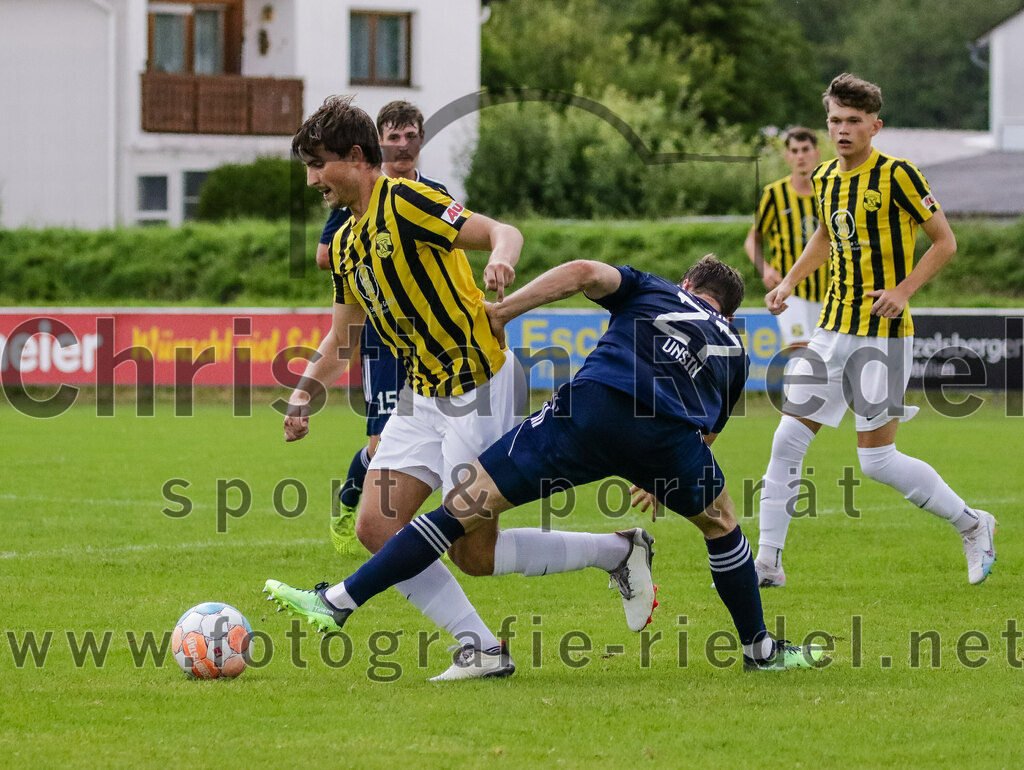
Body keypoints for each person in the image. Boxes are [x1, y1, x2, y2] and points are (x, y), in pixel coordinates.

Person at [266, 256, 826, 673]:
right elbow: (704, 433)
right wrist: (658, 482)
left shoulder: (655, 290)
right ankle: (761, 650)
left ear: (687, 286)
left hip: (590, 409)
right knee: (722, 524)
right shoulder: (734, 348)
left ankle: (339, 600)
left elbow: (584, 270)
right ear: (727, 310)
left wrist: (506, 308)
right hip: (666, 440)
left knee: (462, 509)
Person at [279, 95, 652, 681]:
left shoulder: (408, 202)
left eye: (317, 164)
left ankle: (619, 551)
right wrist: (303, 394)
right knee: (375, 527)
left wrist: (501, 262)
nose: (311, 180)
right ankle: (479, 647)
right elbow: (342, 338)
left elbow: (503, 231)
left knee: (474, 554)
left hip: (479, 386)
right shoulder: (349, 244)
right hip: (422, 395)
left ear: (355, 157)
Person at [755, 73, 997, 588]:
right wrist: (791, 282)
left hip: (883, 336)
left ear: (874, 126)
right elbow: (825, 234)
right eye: (836, 121)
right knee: (785, 441)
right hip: (830, 329)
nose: (843, 130)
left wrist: (903, 291)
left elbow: (945, 242)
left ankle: (974, 524)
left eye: (853, 122)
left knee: (878, 461)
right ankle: (768, 563)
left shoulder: (899, 176)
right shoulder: (824, 178)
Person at [311, 101, 453, 555]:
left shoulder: (432, 191)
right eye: (393, 137)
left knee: (441, 438)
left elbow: (455, 244)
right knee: (382, 437)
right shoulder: (359, 194)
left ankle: (409, 527)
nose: (403, 145)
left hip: (430, 336)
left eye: (410, 136)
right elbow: (324, 254)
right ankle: (353, 501)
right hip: (379, 332)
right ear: (377, 144)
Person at [744, 127, 827, 356]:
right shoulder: (775, 194)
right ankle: (796, 393)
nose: (800, 155)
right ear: (787, 156)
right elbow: (753, 239)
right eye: (795, 150)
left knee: (824, 356)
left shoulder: (829, 191)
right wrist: (764, 269)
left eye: (805, 149)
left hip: (828, 290)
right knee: (800, 350)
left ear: (816, 153)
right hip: (790, 290)